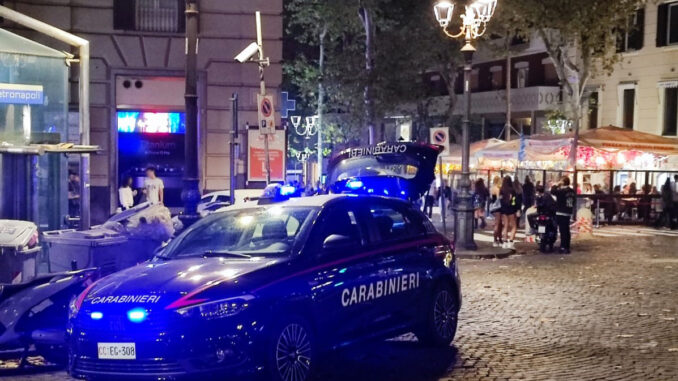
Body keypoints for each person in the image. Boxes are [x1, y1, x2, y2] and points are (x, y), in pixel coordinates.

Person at [553, 176, 576, 254]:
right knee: (566, 230)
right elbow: (574, 201)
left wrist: (556, 184)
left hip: (560, 212)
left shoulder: (562, 191)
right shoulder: (572, 191)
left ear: (562, 182)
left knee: (562, 230)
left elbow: (553, 191)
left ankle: (563, 246)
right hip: (568, 212)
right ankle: (567, 246)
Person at [499, 176, 517, 250]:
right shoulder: (512, 190)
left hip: (503, 209)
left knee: (505, 226)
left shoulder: (502, 189)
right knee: (513, 226)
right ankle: (511, 242)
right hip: (511, 209)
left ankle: (504, 242)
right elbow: (514, 200)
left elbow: (500, 199)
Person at [490, 176, 503, 247]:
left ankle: (497, 239)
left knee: (497, 223)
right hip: (498, 207)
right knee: (498, 224)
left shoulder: (491, 188)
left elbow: (492, 198)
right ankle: (496, 240)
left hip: (493, 207)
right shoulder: (497, 189)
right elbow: (498, 199)